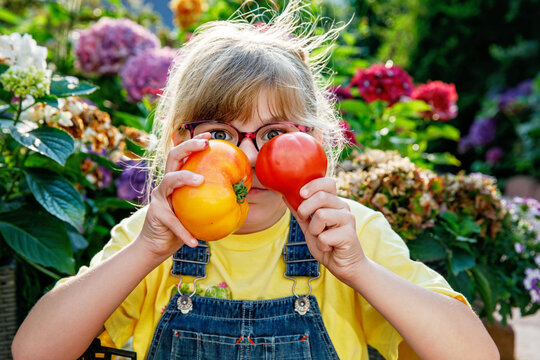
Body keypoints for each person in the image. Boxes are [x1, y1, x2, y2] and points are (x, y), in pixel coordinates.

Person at [12, 1, 498, 359]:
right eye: (220, 133)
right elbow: (35, 351)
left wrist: (359, 271)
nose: (248, 154)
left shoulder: (352, 235)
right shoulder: (152, 243)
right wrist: (146, 250)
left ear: (313, 141)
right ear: (180, 141)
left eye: (275, 135)